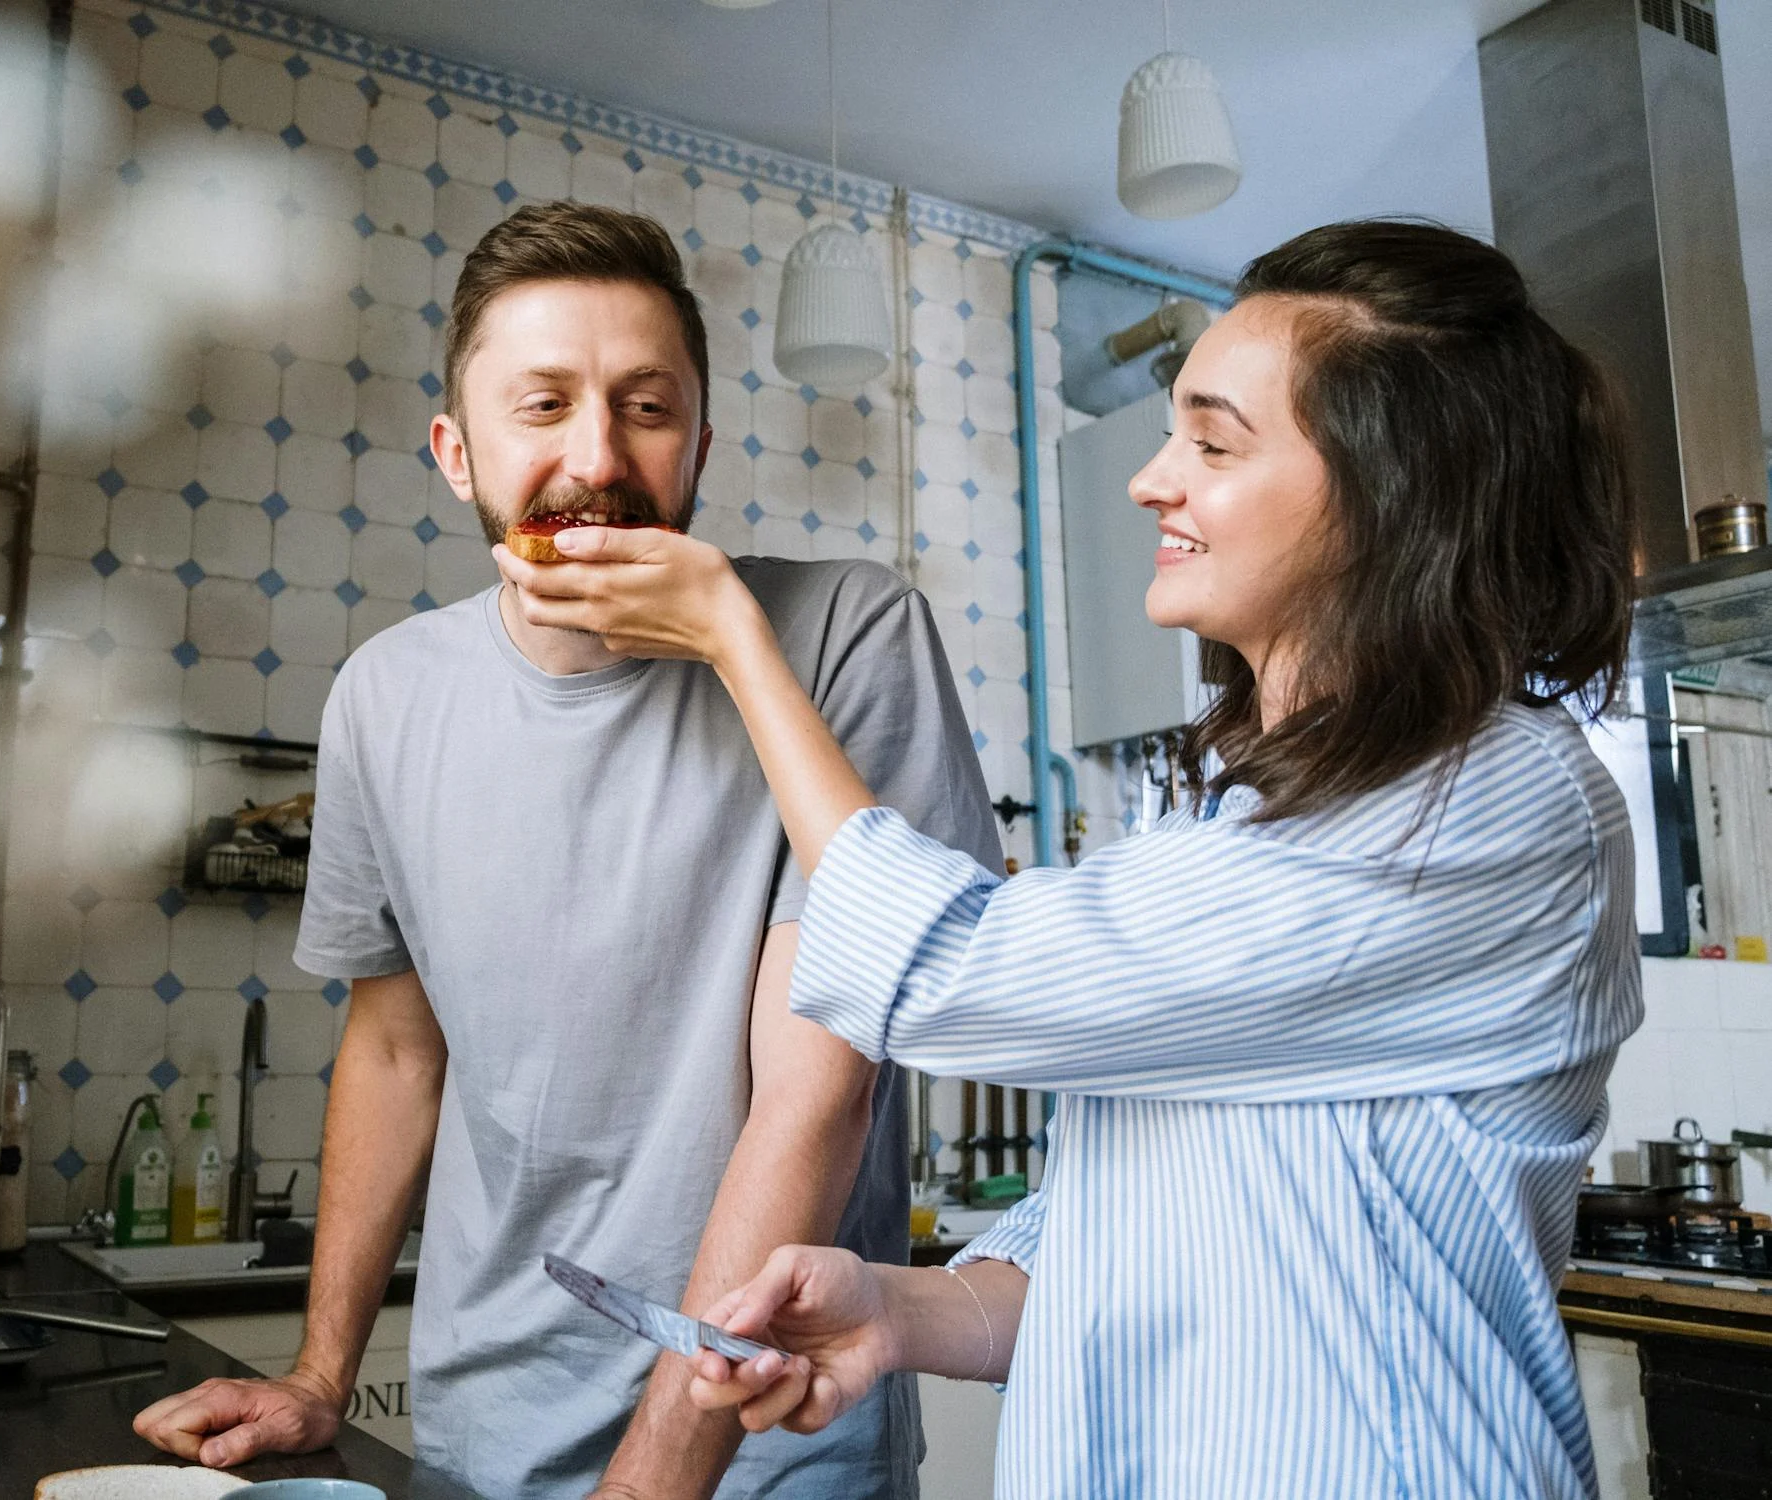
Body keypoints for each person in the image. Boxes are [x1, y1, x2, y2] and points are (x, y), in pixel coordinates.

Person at [499, 219, 1644, 1499]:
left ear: (1396, 495)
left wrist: (737, 642)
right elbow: (1114, 1240)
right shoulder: (1221, 810)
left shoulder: (1493, 802)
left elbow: (952, 975)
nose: (1155, 479)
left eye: (1213, 442)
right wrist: (889, 1308)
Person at [133, 202, 1001, 1498]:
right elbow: (390, 1045)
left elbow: (815, 1096)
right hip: (484, 1432)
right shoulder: (381, 696)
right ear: (455, 450)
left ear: (700, 440)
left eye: (645, 407)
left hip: (773, 1445)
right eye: (540, 405)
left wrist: (654, 1477)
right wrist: (322, 1374)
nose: (596, 455)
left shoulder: (844, 637)